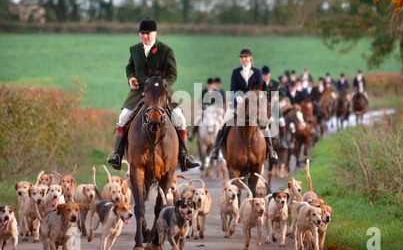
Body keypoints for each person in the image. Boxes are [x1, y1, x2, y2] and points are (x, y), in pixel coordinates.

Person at [107, 18, 200, 171]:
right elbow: (129, 68)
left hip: (161, 92)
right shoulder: (134, 49)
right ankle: (117, 155)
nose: (145, 37)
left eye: (148, 34)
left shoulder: (166, 50)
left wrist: (162, 86)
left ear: (155, 34)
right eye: (142, 34)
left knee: (180, 119)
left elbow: (173, 74)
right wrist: (131, 79)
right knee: (123, 117)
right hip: (138, 92)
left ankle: (184, 157)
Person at [210, 48, 278, 161]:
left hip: (254, 104)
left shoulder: (257, 72)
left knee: (264, 123)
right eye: (242, 57)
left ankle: (271, 150)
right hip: (238, 104)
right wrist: (239, 97)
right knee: (224, 122)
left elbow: (260, 88)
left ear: (250, 58)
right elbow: (233, 88)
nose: (244, 59)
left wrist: (249, 97)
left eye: (246, 57)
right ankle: (216, 149)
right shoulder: (235, 72)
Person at [261, 65, 288, 149]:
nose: (265, 77)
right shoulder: (259, 84)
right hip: (263, 108)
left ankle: (283, 141)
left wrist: (277, 98)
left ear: (270, 75)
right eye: (263, 75)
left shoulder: (276, 83)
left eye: (266, 75)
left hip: (274, 107)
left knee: (282, 121)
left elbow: (282, 94)